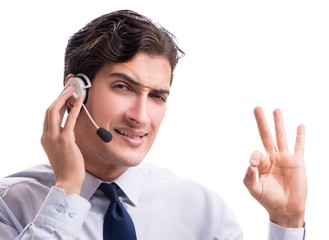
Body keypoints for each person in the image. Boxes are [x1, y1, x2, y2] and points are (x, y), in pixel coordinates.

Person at [0, 9, 306, 239]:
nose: (141, 116)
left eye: (157, 96)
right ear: (75, 92)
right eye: (123, 87)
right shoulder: (11, 205)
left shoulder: (202, 210)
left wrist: (287, 222)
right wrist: (68, 187)